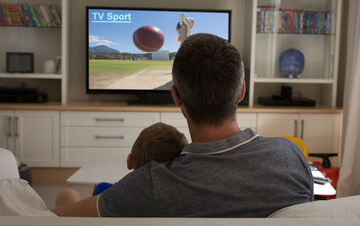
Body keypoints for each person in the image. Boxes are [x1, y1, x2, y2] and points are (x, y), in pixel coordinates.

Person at [52, 33, 313, 217]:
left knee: (67, 194)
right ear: (242, 91)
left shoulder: (150, 184)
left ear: (176, 96)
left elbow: (55, 217)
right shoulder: (291, 156)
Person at [54, 122, 188, 207]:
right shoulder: (186, 202)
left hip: (106, 201)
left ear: (130, 161)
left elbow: (60, 213)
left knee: (68, 194)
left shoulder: (112, 197)